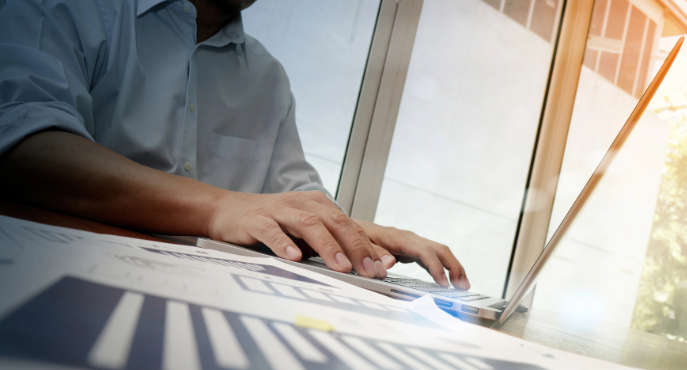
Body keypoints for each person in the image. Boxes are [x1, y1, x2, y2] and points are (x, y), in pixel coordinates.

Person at [0, 0, 471, 290]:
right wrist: (220, 209)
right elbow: (25, 145)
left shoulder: (266, 78)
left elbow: (293, 204)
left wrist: (363, 233)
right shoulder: (67, 6)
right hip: (54, 282)